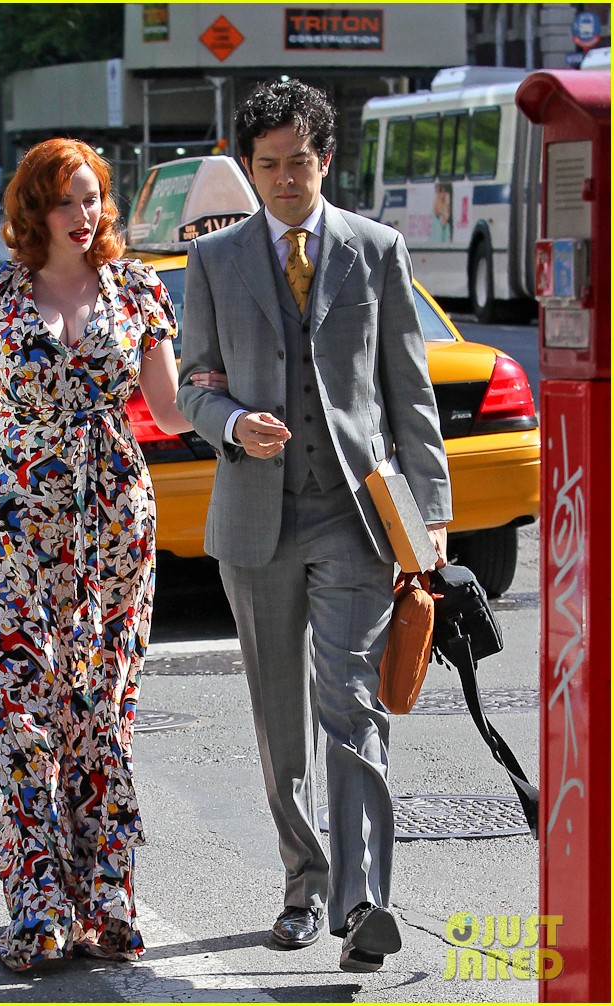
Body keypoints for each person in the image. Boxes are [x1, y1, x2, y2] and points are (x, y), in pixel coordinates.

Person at [177, 79, 452, 973]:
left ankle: (365, 897)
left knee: (353, 704)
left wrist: (432, 514)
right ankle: (304, 882)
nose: (287, 178)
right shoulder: (215, 263)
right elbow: (193, 384)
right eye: (269, 165)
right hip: (256, 519)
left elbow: (409, 392)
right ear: (248, 170)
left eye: (302, 161)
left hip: (354, 519)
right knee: (278, 722)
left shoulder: (375, 250)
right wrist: (230, 425)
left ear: (326, 160)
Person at [0, 138, 222, 971]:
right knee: (22, 710)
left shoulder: (138, 288)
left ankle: (104, 901)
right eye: (66, 200)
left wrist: (240, 418)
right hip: (13, 521)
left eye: (94, 197)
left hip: (112, 522)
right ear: (34, 209)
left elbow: (170, 410)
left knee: (102, 709)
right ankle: (37, 908)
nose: (84, 213)